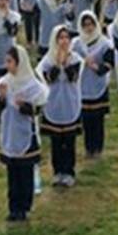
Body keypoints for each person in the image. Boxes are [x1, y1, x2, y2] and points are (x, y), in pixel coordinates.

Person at [0, 44, 47, 222]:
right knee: (12, 173)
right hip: (10, 133)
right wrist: (2, 99)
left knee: (25, 172)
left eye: (10, 61)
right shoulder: (3, 83)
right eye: (6, 61)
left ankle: (24, 206)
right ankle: (13, 207)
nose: (7, 65)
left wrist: (24, 106)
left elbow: (38, 109)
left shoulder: (32, 85)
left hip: (26, 134)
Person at [37, 26, 83, 187]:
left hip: (70, 103)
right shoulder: (47, 60)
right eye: (60, 38)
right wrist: (58, 63)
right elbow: (49, 78)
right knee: (56, 142)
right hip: (54, 104)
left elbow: (73, 77)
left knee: (69, 142)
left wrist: (65, 62)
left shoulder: (76, 59)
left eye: (66, 38)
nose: (64, 41)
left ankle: (69, 171)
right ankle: (57, 172)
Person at [73, 10, 114, 157]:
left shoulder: (104, 43)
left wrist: (96, 67)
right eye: (85, 25)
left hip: (98, 85)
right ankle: (89, 148)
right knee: (86, 119)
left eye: (91, 24)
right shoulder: (76, 44)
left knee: (98, 119)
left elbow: (109, 63)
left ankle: (98, 148)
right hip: (83, 86)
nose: (89, 28)